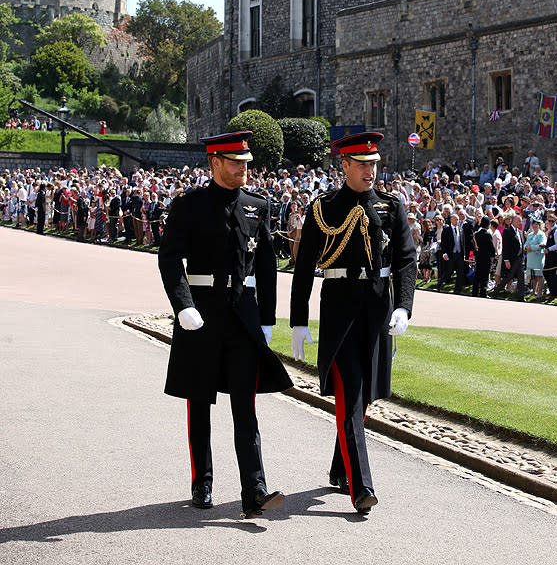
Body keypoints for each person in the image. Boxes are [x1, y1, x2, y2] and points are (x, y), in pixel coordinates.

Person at [158, 131, 292, 519]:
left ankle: (255, 489)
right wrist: (183, 305)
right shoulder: (190, 205)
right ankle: (202, 481)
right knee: (199, 400)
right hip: (201, 313)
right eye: (235, 162)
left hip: (242, 316)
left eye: (246, 162)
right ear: (215, 162)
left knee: (244, 406)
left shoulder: (257, 205)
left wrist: (267, 319)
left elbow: (266, 266)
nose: (243, 168)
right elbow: (169, 259)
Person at [290, 132, 416, 513]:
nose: (370, 171)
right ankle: (361, 487)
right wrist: (298, 319)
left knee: (363, 397)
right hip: (340, 308)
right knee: (351, 393)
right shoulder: (323, 208)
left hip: (378, 307)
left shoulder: (391, 206)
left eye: (374, 164)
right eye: (362, 165)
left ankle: (339, 464)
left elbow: (406, 260)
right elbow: (304, 267)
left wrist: (404, 307)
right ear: (344, 165)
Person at [490, 213, 526, 301]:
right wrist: (506, 260)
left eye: (520, 221)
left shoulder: (520, 232)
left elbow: (522, 245)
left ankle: (521, 296)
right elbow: (506, 246)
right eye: (518, 221)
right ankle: (496, 291)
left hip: (519, 259)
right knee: (508, 277)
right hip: (512, 259)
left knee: (521, 277)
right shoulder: (507, 231)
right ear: (513, 221)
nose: (520, 223)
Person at [438, 212, 466, 293]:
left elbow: (463, 243)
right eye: (456, 219)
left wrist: (464, 254)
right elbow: (443, 243)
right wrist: (445, 253)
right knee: (448, 272)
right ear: (451, 220)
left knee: (460, 272)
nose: (457, 221)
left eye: (458, 219)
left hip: (459, 254)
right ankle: (440, 284)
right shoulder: (447, 230)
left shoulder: (461, 230)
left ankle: (457, 290)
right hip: (451, 254)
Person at [471, 216, 495, 297]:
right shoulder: (487, 234)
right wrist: (493, 254)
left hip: (478, 256)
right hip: (486, 257)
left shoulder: (476, 234)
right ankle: (483, 292)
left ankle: (474, 291)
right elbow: (491, 247)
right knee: (484, 275)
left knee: (477, 274)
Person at [525, 219, 546, 298]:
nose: (535, 225)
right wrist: (526, 248)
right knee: (532, 275)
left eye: (537, 224)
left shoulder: (541, 234)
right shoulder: (530, 235)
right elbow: (526, 244)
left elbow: (542, 245)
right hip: (531, 257)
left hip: (538, 257)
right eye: (533, 224)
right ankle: (533, 291)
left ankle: (539, 292)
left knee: (539, 275)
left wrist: (532, 248)